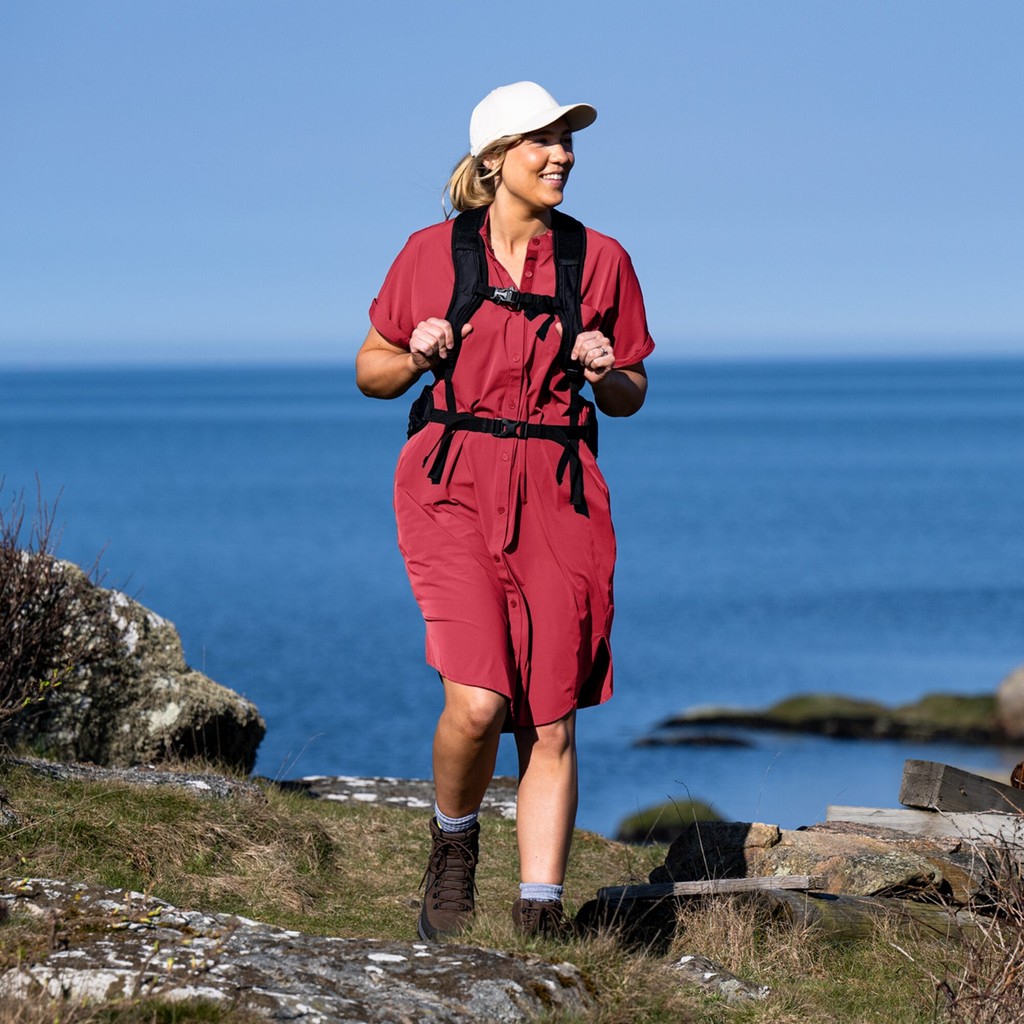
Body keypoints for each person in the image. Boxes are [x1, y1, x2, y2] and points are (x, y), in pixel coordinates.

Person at [356, 81, 654, 941]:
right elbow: (369, 372)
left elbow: (632, 393)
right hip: (450, 481)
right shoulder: (430, 255)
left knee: (550, 715)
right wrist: (413, 354)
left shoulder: (601, 260)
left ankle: (540, 916)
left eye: (566, 139)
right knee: (481, 700)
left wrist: (607, 369)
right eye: (542, 140)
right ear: (494, 161)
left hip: (559, 490)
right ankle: (454, 846)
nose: (561, 153)